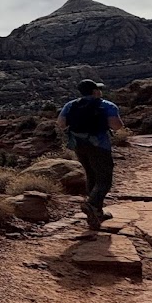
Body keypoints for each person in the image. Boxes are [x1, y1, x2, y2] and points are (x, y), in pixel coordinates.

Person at [56, 79, 124, 231]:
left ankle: (96, 214)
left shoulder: (70, 105)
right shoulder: (106, 105)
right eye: (98, 89)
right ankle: (91, 204)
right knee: (104, 179)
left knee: (91, 175)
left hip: (79, 145)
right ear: (95, 91)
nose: (100, 91)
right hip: (100, 146)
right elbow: (117, 126)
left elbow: (61, 124)